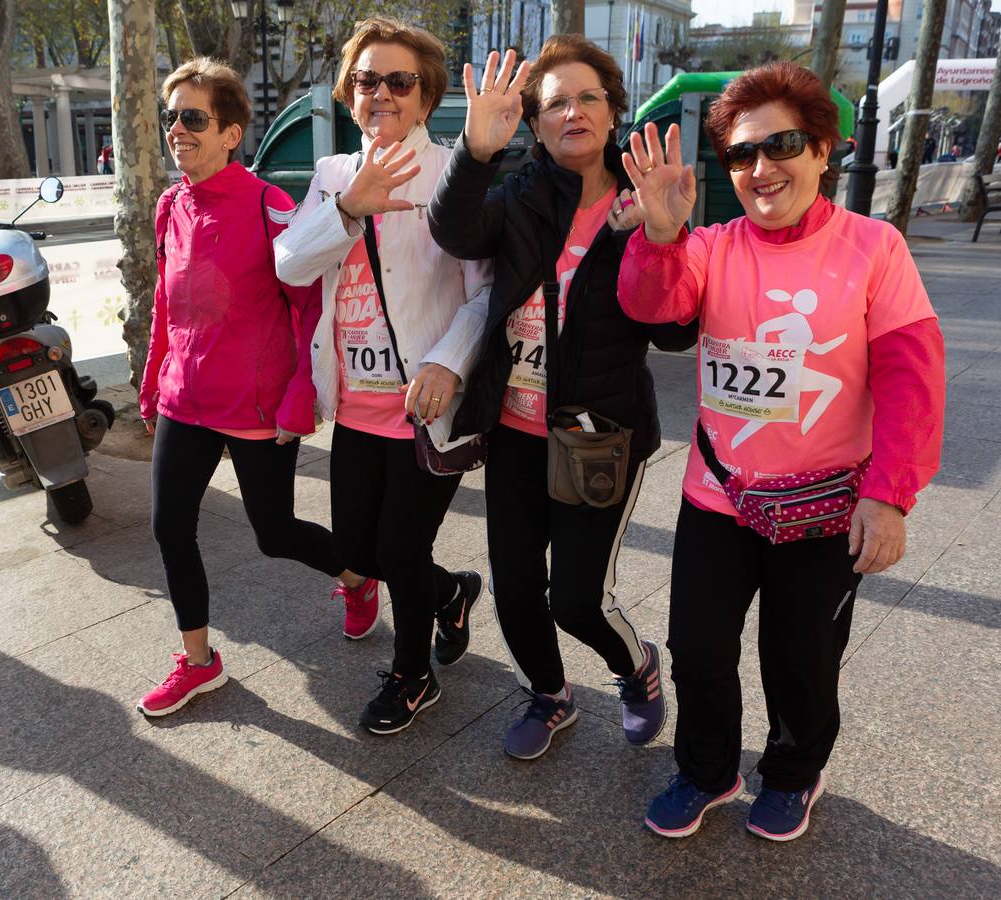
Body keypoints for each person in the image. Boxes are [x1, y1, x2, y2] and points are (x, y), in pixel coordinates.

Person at [617, 62, 944, 841]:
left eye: (783, 145)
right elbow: (654, 309)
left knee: (800, 659)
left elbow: (911, 376)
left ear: (825, 149)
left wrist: (890, 493)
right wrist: (661, 235)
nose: (762, 169)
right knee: (698, 651)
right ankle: (706, 770)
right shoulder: (710, 246)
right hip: (718, 498)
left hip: (827, 506)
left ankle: (795, 773)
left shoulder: (875, 248)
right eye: (740, 154)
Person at [428, 38, 695, 761]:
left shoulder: (648, 202)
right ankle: (548, 696)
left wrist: (667, 240)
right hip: (514, 428)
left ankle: (634, 668)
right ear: (534, 124)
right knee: (515, 590)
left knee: (575, 598)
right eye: (553, 104)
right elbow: (454, 231)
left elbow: (677, 333)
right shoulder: (519, 194)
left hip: (597, 430)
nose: (571, 112)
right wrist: (473, 153)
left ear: (613, 110)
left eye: (587, 97)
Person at [136, 58, 375, 717]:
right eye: (170, 118)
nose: (176, 130)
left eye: (193, 118)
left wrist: (303, 393)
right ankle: (198, 661)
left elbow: (306, 307)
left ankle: (358, 580)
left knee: (273, 533)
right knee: (168, 526)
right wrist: (155, 379)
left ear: (231, 132)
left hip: (256, 403)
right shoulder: (169, 206)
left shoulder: (270, 206)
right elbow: (166, 302)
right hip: (187, 397)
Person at [274, 18, 492, 735]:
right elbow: (288, 264)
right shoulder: (335, 173)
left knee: (399, 549)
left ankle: (411, 675)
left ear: (425, 98)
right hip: (356, 404)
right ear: (349, 92)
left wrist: (448, 360)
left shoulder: (454, 171)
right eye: (368, 79)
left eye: (401, 81)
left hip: (425, 406)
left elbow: (487, 288)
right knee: (361, 552)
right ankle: (452, 592)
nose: (383, 93)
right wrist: (344, 207)